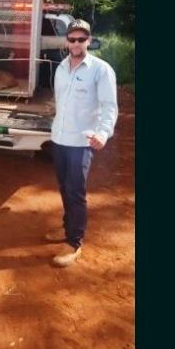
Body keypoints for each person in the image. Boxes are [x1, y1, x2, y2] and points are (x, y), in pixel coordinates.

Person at [44, 19, 118, 267]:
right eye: (72, 39)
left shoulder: (101, 69)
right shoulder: (61, 68)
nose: (76, 43)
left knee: (76, 192)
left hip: (82, 141)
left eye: (81, 39)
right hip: (59, 139)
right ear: (67, 41)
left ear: (89, 40)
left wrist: (103, 132)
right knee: (65, 187)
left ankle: (74, 242)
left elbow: (109, 106)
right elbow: (60, 101)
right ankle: (67, 227)